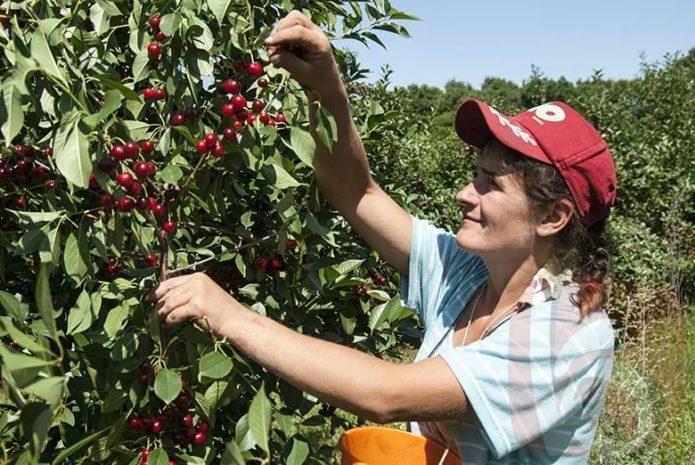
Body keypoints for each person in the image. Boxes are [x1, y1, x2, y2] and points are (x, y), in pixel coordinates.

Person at [150, 11, 617, 465]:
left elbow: (386, 395)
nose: (463, 194)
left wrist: (231, 316)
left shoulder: (568, 333)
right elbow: (356, 193)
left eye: (489, 184)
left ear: (553, 217)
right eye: (473, 175)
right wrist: (327, 91)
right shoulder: (466, 272)